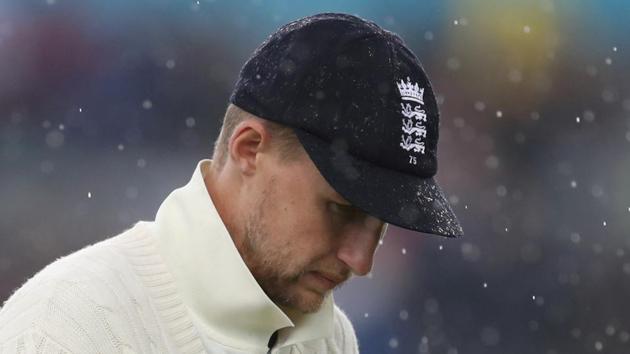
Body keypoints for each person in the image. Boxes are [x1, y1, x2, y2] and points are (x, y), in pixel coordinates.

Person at [0, 12, 463, 353]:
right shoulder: (70, 330)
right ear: (248, 149)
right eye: (341, 209)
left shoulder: (329, 338)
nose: (360, 261)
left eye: (378, 225)